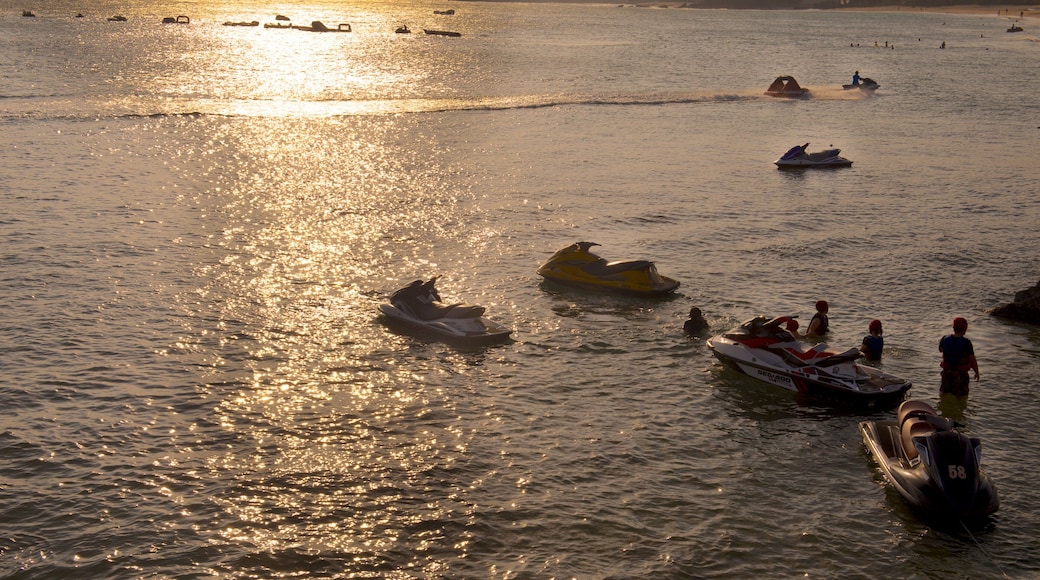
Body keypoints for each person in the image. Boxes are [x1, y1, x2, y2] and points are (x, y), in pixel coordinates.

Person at [938, 317, 979, 397]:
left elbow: (941, 350)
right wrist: (976, 372)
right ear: (965, 329)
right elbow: (972, 360)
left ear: (953, 327)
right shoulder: (967, 343)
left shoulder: (944, 339)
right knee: (961, 398)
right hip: (961, 376)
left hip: (947, 374)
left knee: (945, 396)